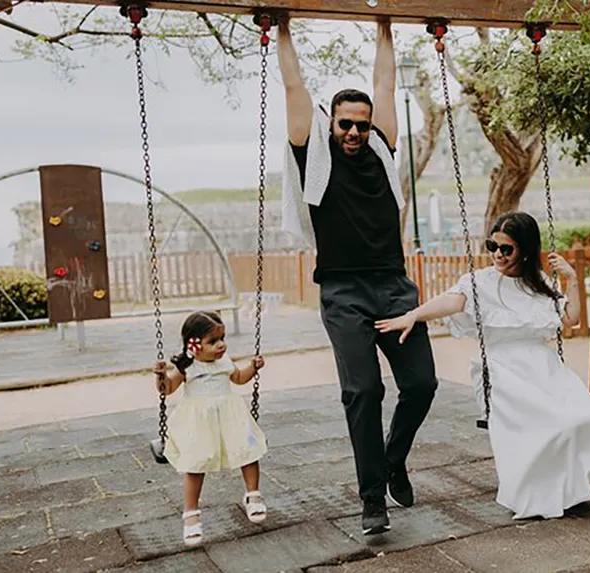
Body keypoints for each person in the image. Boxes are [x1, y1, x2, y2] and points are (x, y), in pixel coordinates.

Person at [276, 16, 438, 535]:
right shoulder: (315, 157)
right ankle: (373, 499)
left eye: (361, 125)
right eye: (345, 123)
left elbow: (385, 82)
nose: (353, 132)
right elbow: (293, 86)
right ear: (331, 124)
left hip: (393, 286)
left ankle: (393, 459)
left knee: (422, 383)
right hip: (344, 291)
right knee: (363, 391)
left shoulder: (383, 153)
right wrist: (281, 26)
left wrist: (385, 23)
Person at [375, 211, 590, 520]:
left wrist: (572, 279)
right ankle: (537, 491)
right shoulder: (479, 282)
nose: (497, 255)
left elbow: (571, 319)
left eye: (506, 248)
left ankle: (567, 489)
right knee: (553, 422)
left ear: (525, 250)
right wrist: (413, 315)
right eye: (492, 246)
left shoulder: (538, 283)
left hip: (544, 367)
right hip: (503, 369)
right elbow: (452, 301)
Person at [153, 311, 268, 546]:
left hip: (230, 416)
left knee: (248, 452)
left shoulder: (224, 362)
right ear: (193, 344)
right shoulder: (187, 368)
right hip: (199, 422)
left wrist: (253, 368)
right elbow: (167, 389)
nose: (221, 345)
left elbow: (239, 378)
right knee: (195, 465)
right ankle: (191, 515)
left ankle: (253, 495)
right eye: (213, 341)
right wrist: (160, 374)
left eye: (223, 338)